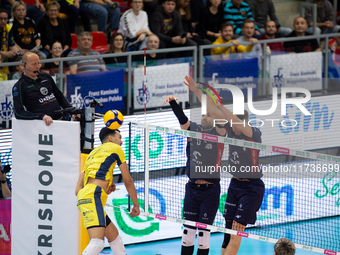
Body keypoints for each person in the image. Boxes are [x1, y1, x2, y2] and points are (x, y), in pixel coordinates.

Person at [163, 76, 226, 255]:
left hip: (211, 191)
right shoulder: (194, 129)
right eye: (204, 114)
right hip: (192, 189)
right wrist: (173, 102)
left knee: (203, 234)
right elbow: (182, 118)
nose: (205, 117)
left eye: (208, 114)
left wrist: (198, 92)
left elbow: (220, 117)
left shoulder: (219, 134)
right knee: (187, 234)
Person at [75, 127, 140, 255]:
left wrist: (105, 188)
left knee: (115, 238)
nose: (121, 142)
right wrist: (136, 205)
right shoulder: (115, 148)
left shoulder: (92, 154)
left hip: (86, 196)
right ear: (110, 138)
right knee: (97, 243)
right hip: (93, 196)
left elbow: (78, 189)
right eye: (119, 138)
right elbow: (128, 181)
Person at [12, 52, 74, 126]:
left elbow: (60, 97)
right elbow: (18, 112)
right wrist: (41, 116)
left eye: (38, 63)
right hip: (42, 125)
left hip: (61, 120)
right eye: (34, 64)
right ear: (24, 65)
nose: (37, 67)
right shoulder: (19, 86)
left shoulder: (46, 77)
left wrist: (72, 111)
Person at [0, 8, 26, 77]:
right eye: (0, 19)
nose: (3, 21)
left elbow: (12, 45)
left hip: (4, 57)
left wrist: (20, 52)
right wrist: (5, 53)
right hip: (2, 55)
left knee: (19, 58)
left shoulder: (8, 28)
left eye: (5, 19)